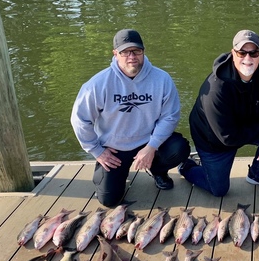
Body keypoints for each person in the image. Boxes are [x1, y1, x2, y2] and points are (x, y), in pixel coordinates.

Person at [71, 29, 190, 207]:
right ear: (115, 54)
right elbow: (80, 119)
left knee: (179, 148)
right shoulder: (98, 84)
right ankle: (114, 175)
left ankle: (158, 170)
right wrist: (97, 150)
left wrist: (151, 146)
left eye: (136, 51)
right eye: (125, 52)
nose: (131, 56)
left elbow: (170, 117)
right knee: (109, 201)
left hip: (148, 144)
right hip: (115, 149)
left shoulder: (162, 79)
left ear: (143, 52)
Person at [178, 30, 259, 197]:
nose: (248, 58)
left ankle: (258, 174)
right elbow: (227, 137)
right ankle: (188, 166)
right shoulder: (216, 88)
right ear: (233, 53)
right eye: (242, 52)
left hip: (246, 123)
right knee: (218, 190)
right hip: (215, 140)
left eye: (253, 53)